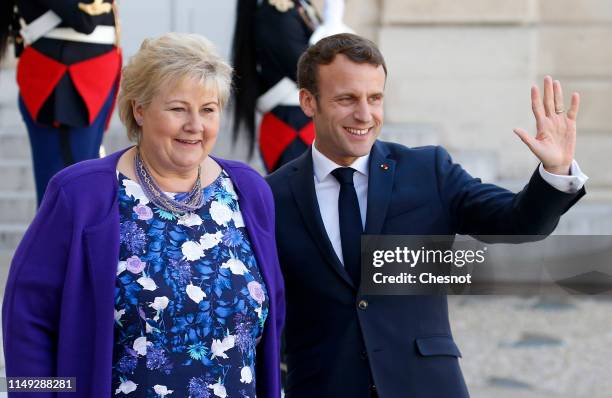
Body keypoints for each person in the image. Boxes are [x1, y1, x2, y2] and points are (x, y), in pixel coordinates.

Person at [266, 33, 587, 397]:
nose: (365, 115)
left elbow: (519, 224)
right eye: (347, 99)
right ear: (309, 102)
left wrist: (555, 173)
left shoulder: (427, 170)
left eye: (375, 98)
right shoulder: (271, 196)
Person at [3, 33, 284, 398]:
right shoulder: (80, 194)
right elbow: (27, 319)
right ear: (139, 109)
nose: (195, 125)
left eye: (208, 109)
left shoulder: (249, 191)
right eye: (178, 108)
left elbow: (273, 316)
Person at [0, 0, 121, 205]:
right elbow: (84, 18)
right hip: (64, 80)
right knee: (66, 199)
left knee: (81, 195)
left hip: (90, 75)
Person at [231, 0, 350, 173]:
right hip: (292, 122)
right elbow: (306, 68)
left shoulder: (298, 5)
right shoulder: (277, 13)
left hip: (304, 115)